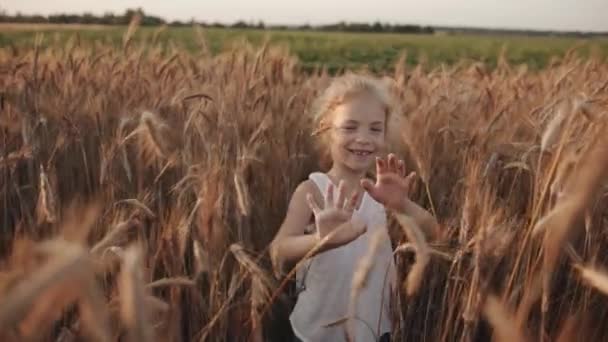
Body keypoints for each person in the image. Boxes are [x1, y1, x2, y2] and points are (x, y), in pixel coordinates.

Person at [269, 73, 439, 342]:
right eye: (349, 127)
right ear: (326, 129)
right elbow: (278, 251)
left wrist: (402, 204)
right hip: (316, 332)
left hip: (373, 329)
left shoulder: (381, 193)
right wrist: (320, 240)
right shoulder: (312, 190)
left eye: (375, 128)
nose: (363, 138)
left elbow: (434, 233)